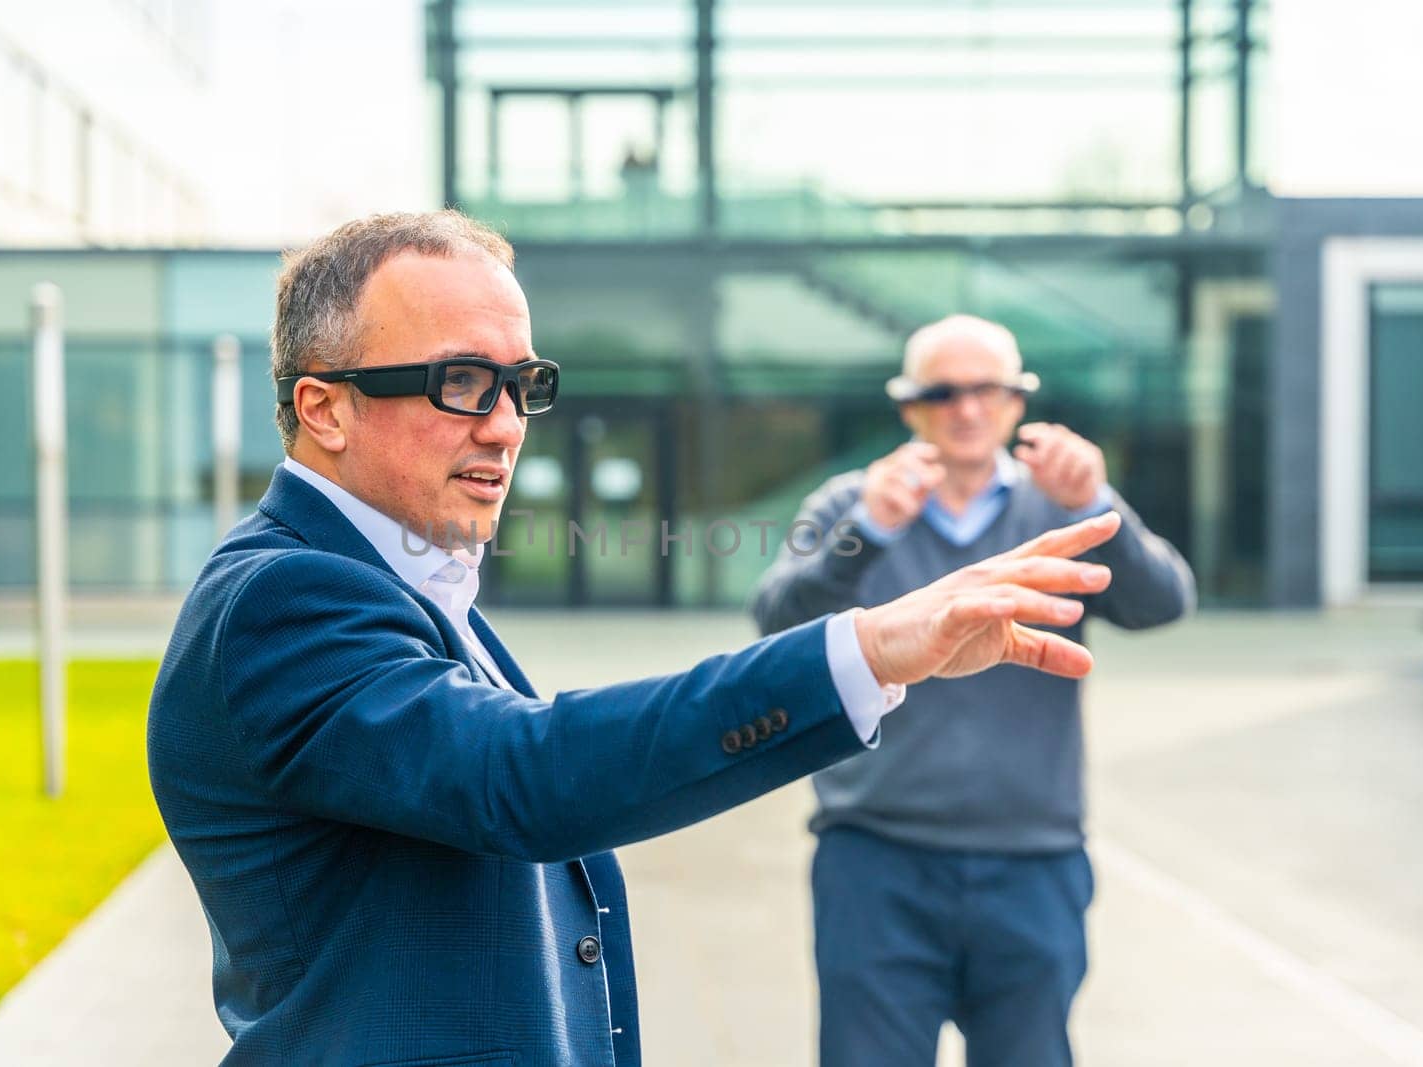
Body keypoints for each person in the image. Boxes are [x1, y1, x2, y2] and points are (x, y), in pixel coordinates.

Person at [147, 214, 1124, 1067]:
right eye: (458, 382)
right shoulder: (286, 595)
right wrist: (864, 650)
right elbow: (520, 774)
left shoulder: (393, 581)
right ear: (322, 407)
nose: (503, 425)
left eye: (519, 384)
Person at [750, 313, 1195, 1067]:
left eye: (985, 390)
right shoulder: (850, 505)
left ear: (1017, 403)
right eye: (943, 391)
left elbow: (1163, 603)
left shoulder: (1066, 505)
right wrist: (870, 530)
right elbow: (777, 621)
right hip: (876, 860)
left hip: (1032, 861)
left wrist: (1098, 508)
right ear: (910, 407)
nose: (966, 409)